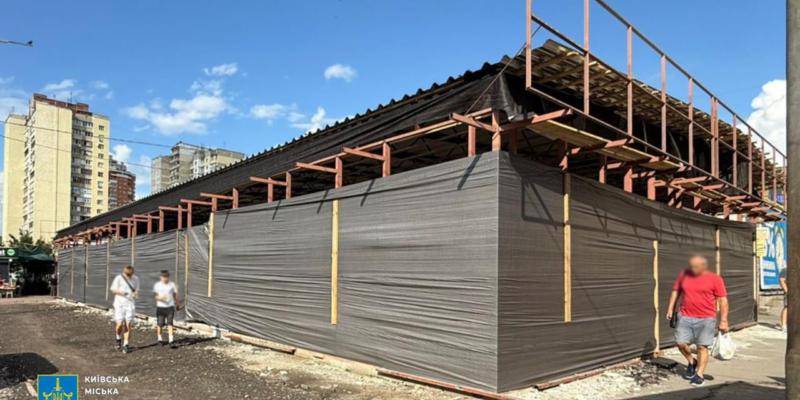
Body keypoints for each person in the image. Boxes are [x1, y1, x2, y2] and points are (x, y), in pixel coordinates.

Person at [665, 255, 729, 387]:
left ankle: (699, 375)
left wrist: (723, 320)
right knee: (680, 343)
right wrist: (671, 308)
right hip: (685, 316)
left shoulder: (715, 279)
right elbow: (676, 291)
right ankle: (692, 361)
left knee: (702, 346)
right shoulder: (684, 276)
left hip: (706, 318)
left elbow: (723, 300)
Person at [109, 265, 140, 353]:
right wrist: (121, 292)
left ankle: (126, 344)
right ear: (124, 273)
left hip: (130, 304)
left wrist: (136, 294)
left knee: (128, 324)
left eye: (130, 275)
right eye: (127, 274)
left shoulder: (136, 279)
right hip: (119, 304)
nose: (129, 276)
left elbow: (136, 291)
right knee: (119, 324)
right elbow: (113, 290)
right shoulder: (119, 278)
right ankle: (118, 338)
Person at [153, 270, 179, 346]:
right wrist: (161, 298)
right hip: (161, 307)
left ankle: (171, 340)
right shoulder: (157, 285)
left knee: (170, 323)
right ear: (161, 277)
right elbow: (155, 296)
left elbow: (175, 296)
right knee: (160, 324)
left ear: (168, 277)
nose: (165, 278)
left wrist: (177, 304)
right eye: (163, 277)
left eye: (166, 277)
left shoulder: (172, 285)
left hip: (170, 307)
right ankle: (160, 339)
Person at [780, 268, 788, 332]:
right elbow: (782, 280)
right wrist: (787, 291)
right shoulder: (785, 270)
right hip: (790, 292)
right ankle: (784, 326)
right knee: (787, 307)